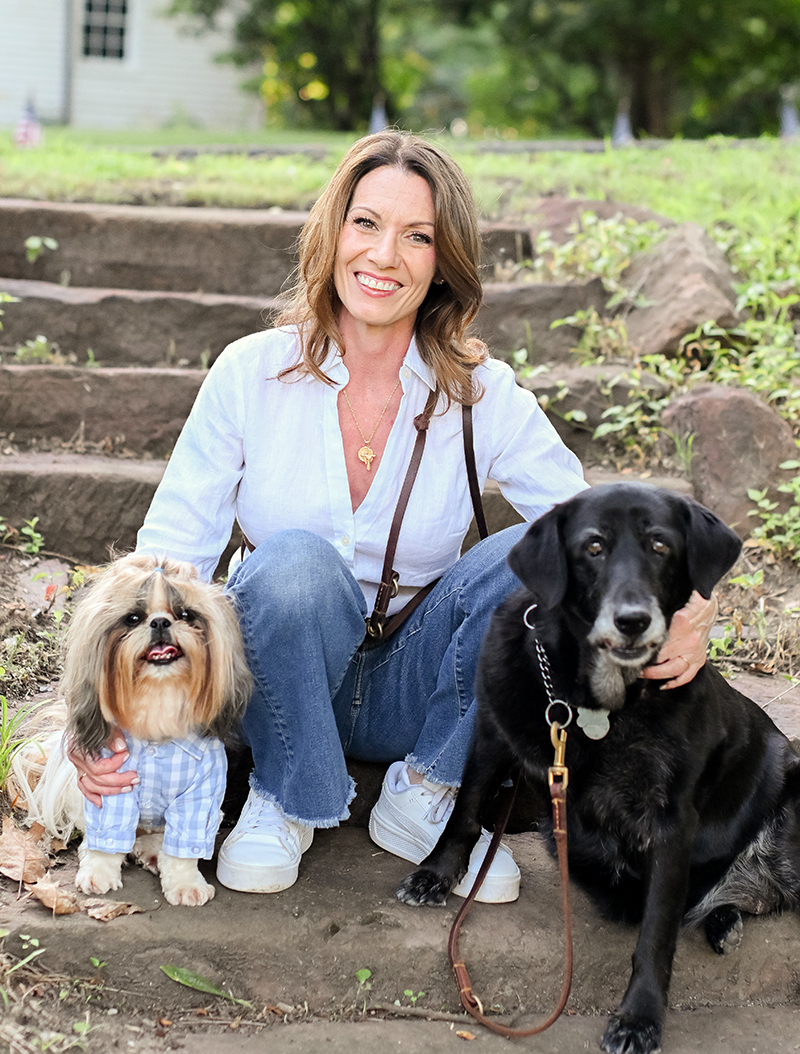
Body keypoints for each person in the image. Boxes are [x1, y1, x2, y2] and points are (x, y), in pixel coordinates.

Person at [69, 131, 714, 900]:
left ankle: (428, 793)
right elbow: (166, 556)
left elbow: (591, 524)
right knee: (293, 566)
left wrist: (693, 608)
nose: (385, 256)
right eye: (366, 224)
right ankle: (286, 797)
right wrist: (94, 716)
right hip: (279, 676)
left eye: (419, 237)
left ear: (444, 262)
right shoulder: (250, 373)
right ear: (333, 232)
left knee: (534, 557)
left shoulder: (483, 392)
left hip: (422, 680)